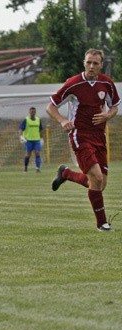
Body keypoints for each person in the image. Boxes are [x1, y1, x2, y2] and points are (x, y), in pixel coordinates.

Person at [49, 48, 119, 232]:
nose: (91, 66)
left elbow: (114, 107)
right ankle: (102, 224)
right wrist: (63, 120)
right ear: (84, 63)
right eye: (88, 62)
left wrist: (107, 116)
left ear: (101, 65)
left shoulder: (107, 84)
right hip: (80, 135)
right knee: (96, 178)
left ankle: (66, 174)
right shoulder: (73, 84)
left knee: (99, 184)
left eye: (95, 63)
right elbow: (51, 107)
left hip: (99, 136)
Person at [19, 107, 43, 173]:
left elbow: (40, 130)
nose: (33, 112)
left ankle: (38, 168)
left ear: (35, 112)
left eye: (34, 111)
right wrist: (21, 136)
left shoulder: (38, 120)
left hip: (36, 140)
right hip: (28, 140)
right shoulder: (26, 120)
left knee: (37, 153)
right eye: (31, 111)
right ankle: (25, 168)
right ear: (29, 112)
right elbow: (21, 128)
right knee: (28, 154)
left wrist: (41, 138)